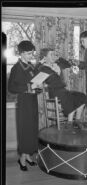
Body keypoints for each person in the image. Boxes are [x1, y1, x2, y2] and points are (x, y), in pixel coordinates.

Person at [37, 48, 87, 131]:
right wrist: (41, 63)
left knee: (82, 96)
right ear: (45, 57)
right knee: (69, 96)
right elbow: (37, 75)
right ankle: (69, 123)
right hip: (54, 91)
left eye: (54, 54)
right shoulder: (43, 68)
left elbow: (68, 64)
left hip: (63, 90)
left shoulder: (57, 64)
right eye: (51, 54)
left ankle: (77, 120)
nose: (54, 56)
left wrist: (59, 58)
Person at [8, 40, 41, 171]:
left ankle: (28, 156)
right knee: (24, 130)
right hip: (23, 103)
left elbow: (35, 84)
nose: (30, 56)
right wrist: (29, 87)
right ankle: (22, 158)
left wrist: (38, 87)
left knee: (32, 129)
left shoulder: (32, 67)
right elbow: (11, 87)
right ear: (21, 53)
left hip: (32, 101)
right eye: (28, 53)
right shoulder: (16, 68)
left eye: (31, 53)